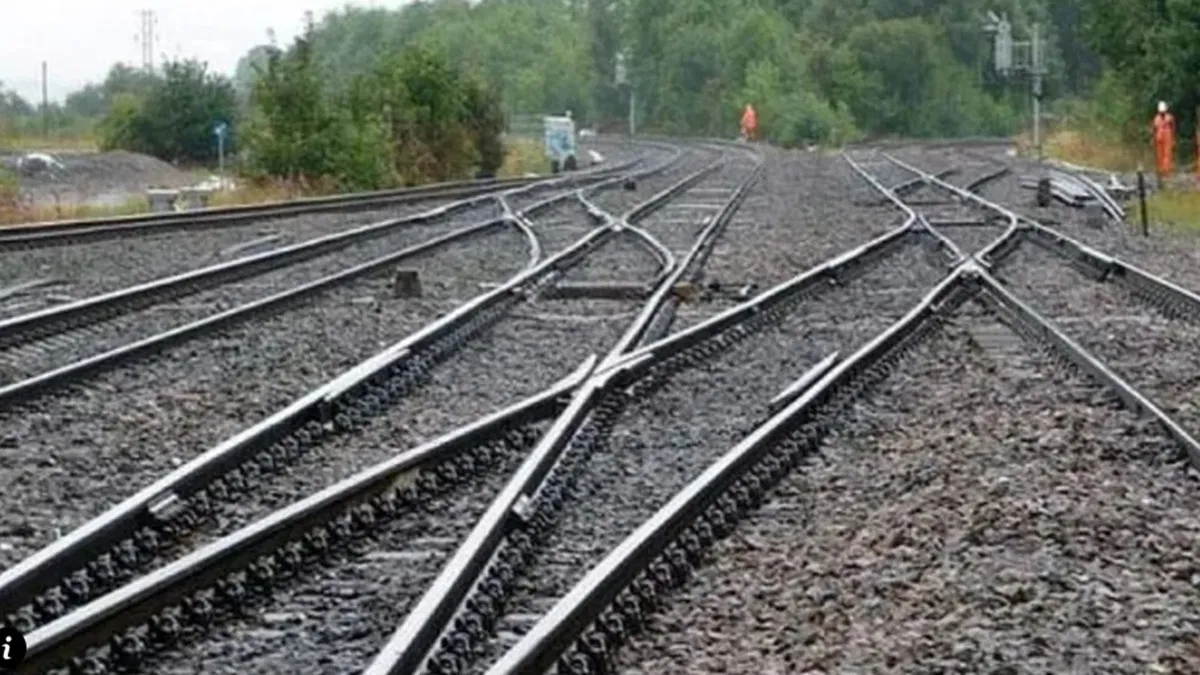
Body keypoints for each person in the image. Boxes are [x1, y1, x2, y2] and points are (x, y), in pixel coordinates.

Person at [1152, 101, 1175, 186]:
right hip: (1159, 138)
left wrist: (1173, 139)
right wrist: (1153, 138)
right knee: (1160, 156)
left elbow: (1173, 128)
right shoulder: (1156, 118)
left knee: (1167, 155)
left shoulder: (1169, 117)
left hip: (1167, 137)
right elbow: (1154, 129)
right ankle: (1161, 172)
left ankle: (1167, 172)